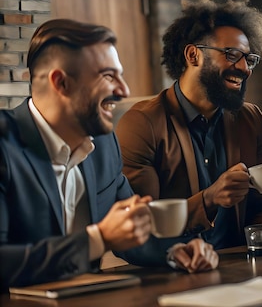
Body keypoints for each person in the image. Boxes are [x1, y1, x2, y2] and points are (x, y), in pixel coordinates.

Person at [0, 19, 218, 291]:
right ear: (61, 83)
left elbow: (134, 232)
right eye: (108, 76)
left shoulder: (104, 145)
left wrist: (177, 250)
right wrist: (98, 239)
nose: (124, 90)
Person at [116, 0, 262, 250]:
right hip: (172, 270)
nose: (245, 68)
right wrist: (208, 199)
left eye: (249, 59)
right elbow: (138, 225)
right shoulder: (142, 124)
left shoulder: (250, 119)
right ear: (193, 55)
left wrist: (260, 249)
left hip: (241, 266)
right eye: (232, 54)